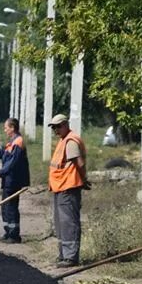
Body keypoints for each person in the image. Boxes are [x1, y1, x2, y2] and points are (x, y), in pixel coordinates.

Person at [47, 113, 90, 267]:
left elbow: (80, 163)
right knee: (61, 223)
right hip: (61, 186)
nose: (56, 130)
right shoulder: (63, 140)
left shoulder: (71, 141)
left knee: (69, 222)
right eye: (53, 127)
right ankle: (64, 254)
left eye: (58, 126)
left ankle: (71, 257)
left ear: (65, 124)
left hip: (68, 187)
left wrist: (83, 180)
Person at [0, 117, 30, 243]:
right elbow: (4, 151)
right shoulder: (12, 141)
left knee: (11, 206)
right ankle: (8, 231)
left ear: (12, 128)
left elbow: (12, 163)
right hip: (8, 179)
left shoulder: (18, 142)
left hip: (14, 180)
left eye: (6, 127)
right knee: (5, 206)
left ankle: (14, 235)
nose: (4, 130)